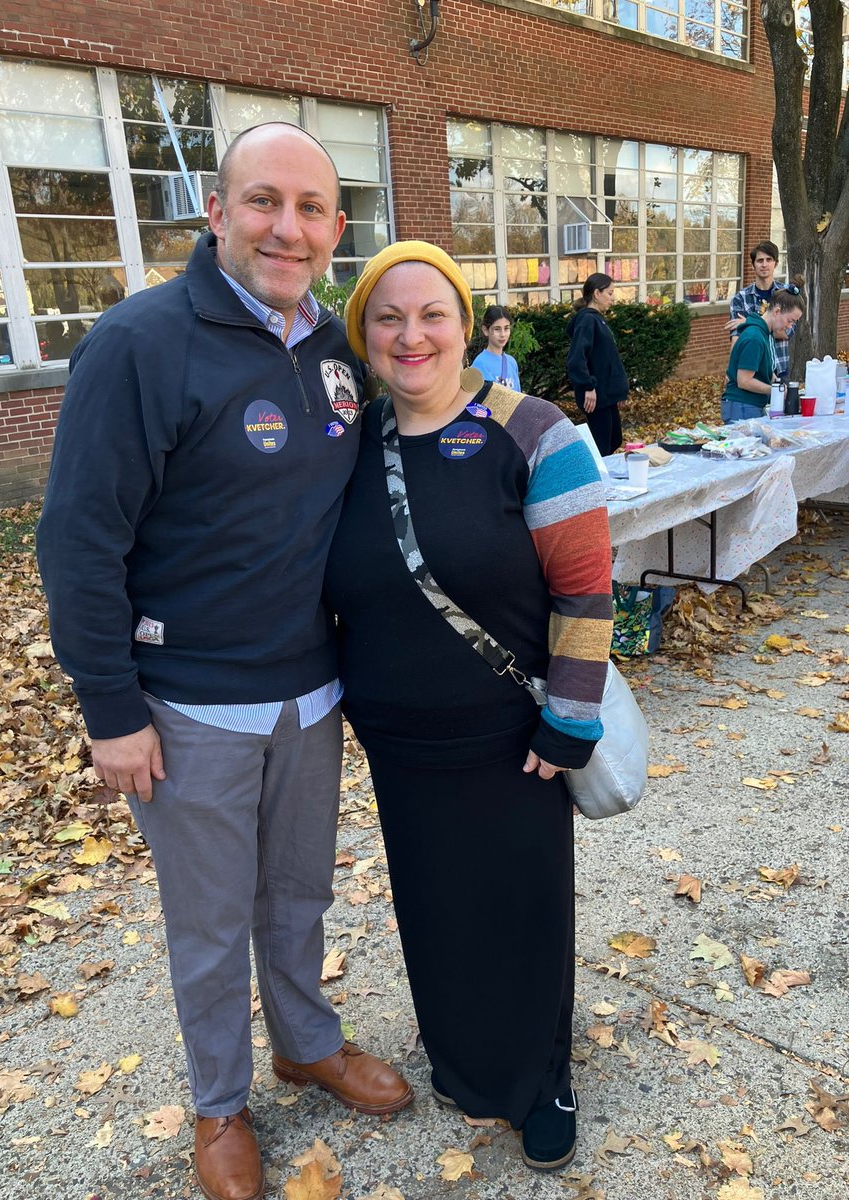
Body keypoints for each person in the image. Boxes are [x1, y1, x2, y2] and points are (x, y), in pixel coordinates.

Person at [37, 123, 412, 1200]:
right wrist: (110, 708)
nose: (285, 228)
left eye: (310, 208)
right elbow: (78, 539)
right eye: (263, 202)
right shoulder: (141, 343)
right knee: (207, 927)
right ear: (216, 211)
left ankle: (307, 1043)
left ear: (338, 230)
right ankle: (219, 1104)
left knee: (296, 899)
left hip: (310, 693)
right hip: (188, 707)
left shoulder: (338, 348)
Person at [325, 242, 613, 1172]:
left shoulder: (535, 432)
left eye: (432, 314)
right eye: (389, 318)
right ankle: (462, 1058)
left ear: (466, 323)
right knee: (435, 907)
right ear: (364, 334)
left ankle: (540, 1076)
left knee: (522, 906)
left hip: (511, 738)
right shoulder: (348, 446)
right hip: (400, 742)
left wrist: (569, 719)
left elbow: (586, 590)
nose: (412, 336)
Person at [720, 284, 805, 422]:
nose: (790, 326)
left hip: (750, 405)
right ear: (777, 311)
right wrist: (775, 390)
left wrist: (777, 381)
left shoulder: (765, 334)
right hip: (742, 406)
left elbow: (762, 367)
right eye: (790, 321)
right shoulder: (755, 338)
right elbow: (744, 381)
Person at [565, 272, 628, 456]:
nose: (612, 298)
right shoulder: (587, 320)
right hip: (596, 397)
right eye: (609, 293)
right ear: (596, 294)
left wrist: (620, 390)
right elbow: (576, 359)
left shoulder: (597, 319)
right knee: (601, 446)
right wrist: (587, 386)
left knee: (614, 439)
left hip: (607, 396)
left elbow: (607, 359)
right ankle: (597, 482)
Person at [725, 241, 793, 380]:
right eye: (760, 260)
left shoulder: (786, 295)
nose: (764, 264)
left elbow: (785, 333)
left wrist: (748, 323)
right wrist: (731, 372)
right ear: (753, 265)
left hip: (781, 368)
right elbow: (737, 338)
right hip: (752, 370)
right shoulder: (740, 298)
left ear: (776, 263)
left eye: (769, 260)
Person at [471, 303, 521, 389]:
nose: (503, 334)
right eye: (497, 329)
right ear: (485, 330)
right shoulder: (480, 363)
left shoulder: (511, 362)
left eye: (506, 328)